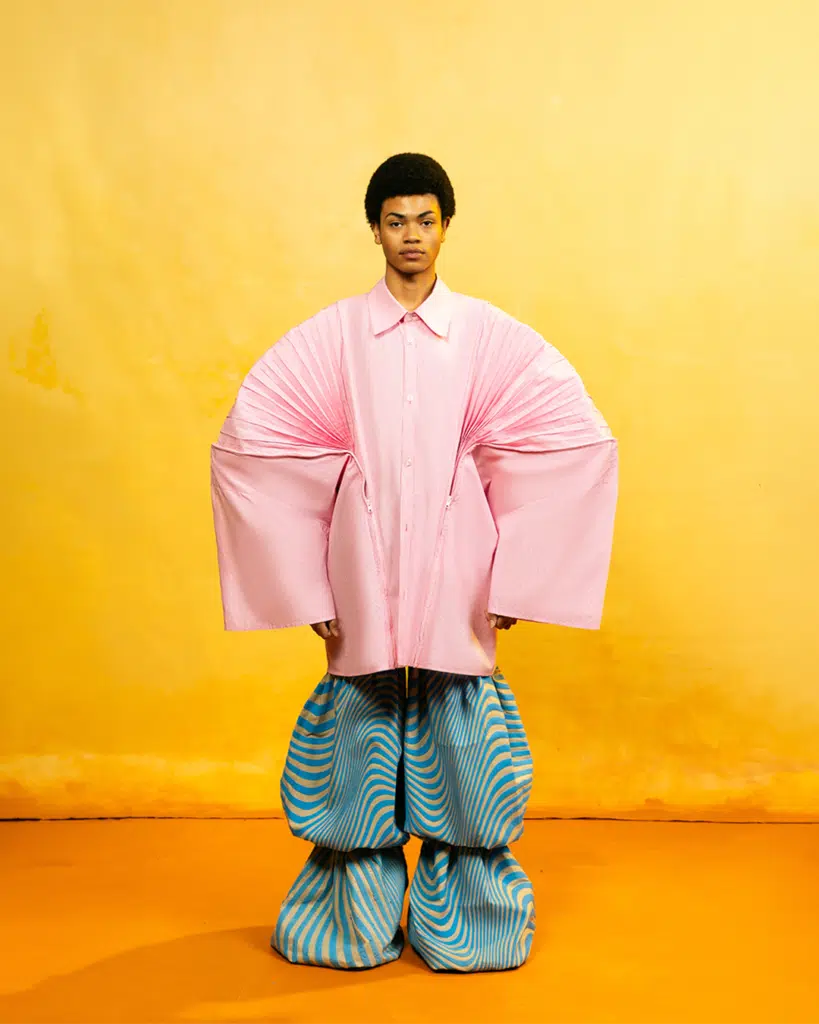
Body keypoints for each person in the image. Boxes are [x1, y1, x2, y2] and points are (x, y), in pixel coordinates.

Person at [211, 153, 618, 972]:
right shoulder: (331, 338)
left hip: (457, 554)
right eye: (395, 220)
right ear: (374, 229)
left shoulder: (486, 336)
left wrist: (514, 580)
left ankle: (471, 923)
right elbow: (258, 450)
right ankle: (346, 920)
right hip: (359, 557)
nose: (410, 236)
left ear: (444, 227)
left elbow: (564, 445)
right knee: (359, 730)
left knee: (463, 737)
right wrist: (304, 584)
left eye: (425, 220)